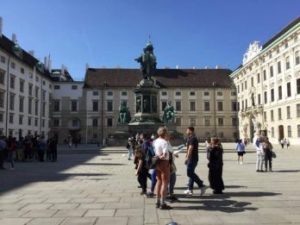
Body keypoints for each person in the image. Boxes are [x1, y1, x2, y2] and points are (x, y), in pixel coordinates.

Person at [184, 127, 208, 196]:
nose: (186, 131)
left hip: (192, 158)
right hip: (193, 158)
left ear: (190, 131)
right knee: (191, 173)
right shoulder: (191, 138)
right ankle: (190, 189)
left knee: (189, 173)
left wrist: (187, 158)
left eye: (187, 130)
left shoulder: (192, 138)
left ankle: (201, 185)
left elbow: (190, 149)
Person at [153, 127, 172, 210]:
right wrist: (162, 156)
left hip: (156, 163)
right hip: (164, 162)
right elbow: (164, 155)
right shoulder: (165, 142)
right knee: (165, 182)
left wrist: (157, 157)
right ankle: (162, 203)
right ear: (165, 134)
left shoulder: (155, 141)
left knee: (159, 181)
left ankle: (157, 201)